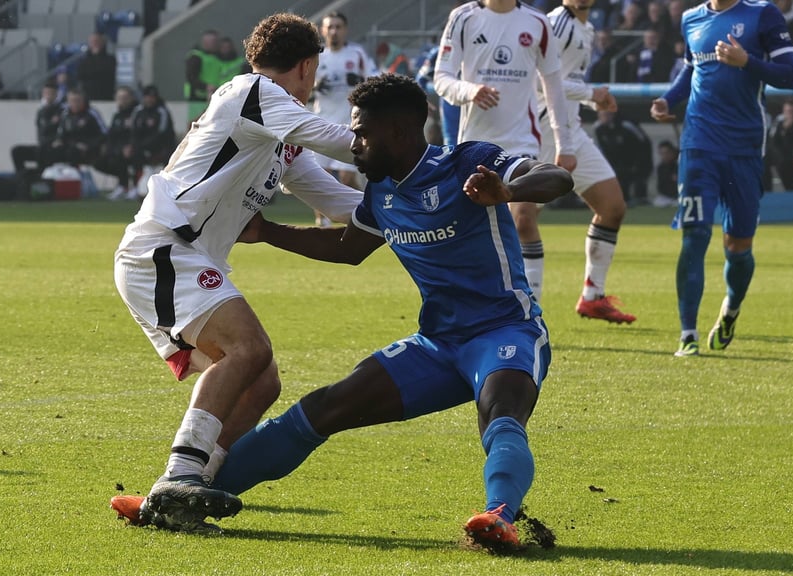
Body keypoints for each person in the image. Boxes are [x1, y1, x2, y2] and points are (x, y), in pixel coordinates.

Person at [112, 74, 574, 551]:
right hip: (437, 345)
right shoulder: (382, 194)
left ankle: (500, 516)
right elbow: (347, 248)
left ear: (398, 131)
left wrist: (509, 191)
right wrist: (269, 232)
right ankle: (173, 500)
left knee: (499, 412)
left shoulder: (467, 162)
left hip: (506, 330)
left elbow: (557, 178)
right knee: (321, 409)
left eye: (363, 133)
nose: (355, 145)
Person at [109, 13, 365, 534]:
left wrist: (422, 211)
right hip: (163, 247)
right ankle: (179, 475)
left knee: (261, 380)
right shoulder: (253, 92)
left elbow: (339, 202)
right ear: (308, 66)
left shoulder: (277, 130)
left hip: (180, 258)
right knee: (249, 349)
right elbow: (337, 140)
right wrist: (405, 153)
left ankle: (185, 493)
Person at [651, 0, 793, 356]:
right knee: (695, 235)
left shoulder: (762, 14)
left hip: (745, 147)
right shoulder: (692, 19)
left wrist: (747, 61)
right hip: (699, 144)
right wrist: (668, 100)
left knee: (738, 247)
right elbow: (690, 71)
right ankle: (687, 334)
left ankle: (730, 310)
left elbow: (790, 75)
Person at [434, 0, 576, 304]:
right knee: (469, 231)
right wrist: (470, 91)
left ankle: (531, 308)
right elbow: (441, 78)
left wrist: (565, 143)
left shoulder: (537, 22)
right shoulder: (463, 18)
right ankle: (473, 305)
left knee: (523, 218)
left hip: (521, 140)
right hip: (474, 145)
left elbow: (553, 86)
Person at [532, 0, 637, 324]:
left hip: (571, 128)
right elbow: (544, 81)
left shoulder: (585, 26)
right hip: (545, 130)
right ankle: (518, 308)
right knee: (517, 220)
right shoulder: (556, 24)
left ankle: (593, 296)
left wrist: (593, 99)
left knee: (612, 207)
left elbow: (567, 83)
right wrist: (594, 93)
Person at [311, 11, 379, 226]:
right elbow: (300, 87)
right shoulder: (316, 55)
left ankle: (372, 211)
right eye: (330, 27)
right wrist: (315, 86)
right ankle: (322, 223)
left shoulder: (356, 54)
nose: (334, 31)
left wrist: (359, 80)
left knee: (347, 178)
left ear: (345, 29)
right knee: (317, 177)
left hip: (351, 125)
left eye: (338, 26)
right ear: (322, 30)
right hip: (321, 122)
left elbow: (375, 80)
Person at [593, 109, 653, 205]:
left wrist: (639, 163)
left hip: (634, 159)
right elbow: (602, 148)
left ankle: (639, 198)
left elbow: (644, 142)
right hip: (616, 162)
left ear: (612, 114)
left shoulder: (626, 125)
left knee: (635, 181)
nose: (603, 117)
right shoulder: (598, 128)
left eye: (606, 114)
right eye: (601, 115)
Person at [127, 84, 175, 193]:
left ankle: (164, 188)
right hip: (141, 147)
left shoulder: (162, 112)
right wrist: (138, 146)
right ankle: (135, 186)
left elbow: (162, 133)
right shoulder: (138, 111)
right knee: (131, 154)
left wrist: (146, 147)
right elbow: (133, 132)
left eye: (152, 97)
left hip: (160, 148)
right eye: (147, 96)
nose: (149, 99)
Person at [96, 85, 139, 199]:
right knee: (100, 160)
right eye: (119, 98)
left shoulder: (137, 112)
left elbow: (138, 133)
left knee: (127, 156)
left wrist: (131, 145)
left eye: (125, 97)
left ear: (132, 98)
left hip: (135, 147)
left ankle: (134, 186)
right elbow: (112, 135)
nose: (122, 101)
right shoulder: (117, 115)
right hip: (119, 148)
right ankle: (123, 185)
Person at [46, 88, 106, 167]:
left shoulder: (92, 113)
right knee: (48, 150)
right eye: (72, 101)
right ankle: (47, 176)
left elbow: (104, 134)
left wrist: (88, 145)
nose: (75, 103)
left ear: (83, 100)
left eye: (77, 100)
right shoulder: (65, 114)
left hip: (88, 148)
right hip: (70, 145)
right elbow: (61, 132)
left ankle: (74, 176)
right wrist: (59, 141)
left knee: (73, 152)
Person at [184, 29, 221, 126]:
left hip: (212, 96)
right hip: (198, 97)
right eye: (213, 42)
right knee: (195, 124)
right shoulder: (196, 56)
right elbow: (191, 77)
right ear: (205, 42)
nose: (216, 44)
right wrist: (206, 86)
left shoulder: (216, 57)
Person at [766, 98, 793, 190]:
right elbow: (772, 140)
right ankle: (767, 189)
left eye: (792, 111)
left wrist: (789, 129)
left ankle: (791, 187)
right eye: (787, 111)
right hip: (780, 153)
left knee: (787, 163)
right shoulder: (779, 121)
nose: (789, 114)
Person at [76, 32, 116, 101]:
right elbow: (80, 75)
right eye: (92, 41)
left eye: (97, 41)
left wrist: (97, 57)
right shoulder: (83, 60)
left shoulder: (110, 59)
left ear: (102, 42)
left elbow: (106, 73)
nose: (94, 43)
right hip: (88, 95)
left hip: (106, 94)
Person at [654, 140, 679, 207]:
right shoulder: (661, 168)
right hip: (666, 197)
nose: (664, 156)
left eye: (667, 153)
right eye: (662, 153)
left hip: (678, 197)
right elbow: (661, 186)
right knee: (658, 202)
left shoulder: (679, 165)